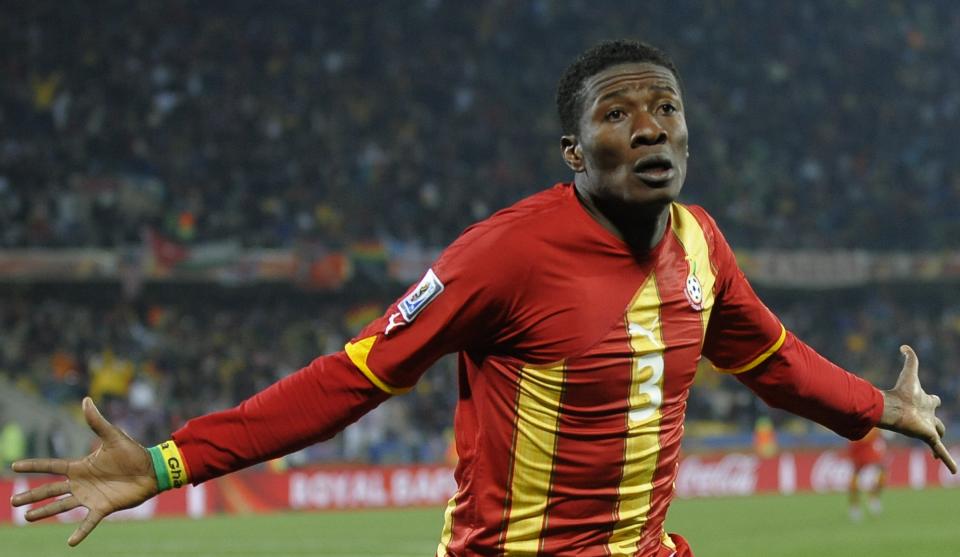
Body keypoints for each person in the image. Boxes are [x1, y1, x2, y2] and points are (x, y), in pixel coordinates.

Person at [9, 40, 955, 557]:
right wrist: (170, 463)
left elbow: (776, 361)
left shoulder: (701, 243)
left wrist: (886, 407)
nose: (651, 126)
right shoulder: (502, 256)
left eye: (665, 107)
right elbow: (349, 379)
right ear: (575, 155)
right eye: (618, 114)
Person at [847, 427, 889, 521]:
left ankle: (873, 498)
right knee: (855, 478)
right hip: (857, 448)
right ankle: (854, 507)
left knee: (882, 469)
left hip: (869, 449)